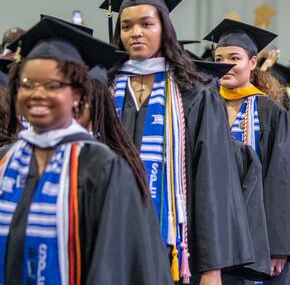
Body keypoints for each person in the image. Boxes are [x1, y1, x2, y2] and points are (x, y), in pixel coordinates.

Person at [102, 0, 257, 283]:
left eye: (146, 24)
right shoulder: (103, 88)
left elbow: (212, 179)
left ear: (164, 29)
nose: (135, 33)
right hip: (109, 236)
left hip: (171, 243)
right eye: (126, 25)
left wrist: (212, 268)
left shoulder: (194, 93)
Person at [0, 17, 171, 283]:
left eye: (52, 86)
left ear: (78, 95)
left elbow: (115, 267)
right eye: (27, 85)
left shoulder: (102, 168)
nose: (36, 94)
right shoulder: (6, 161)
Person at [205, 19, 290, 283]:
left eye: (234, 57)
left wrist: (278, 247)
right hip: (210, 229)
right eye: (219, 58)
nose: (226, 65)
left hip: (256, 233)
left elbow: (284, 183)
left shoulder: (271, 113)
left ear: (253, 62)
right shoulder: (203, 103)